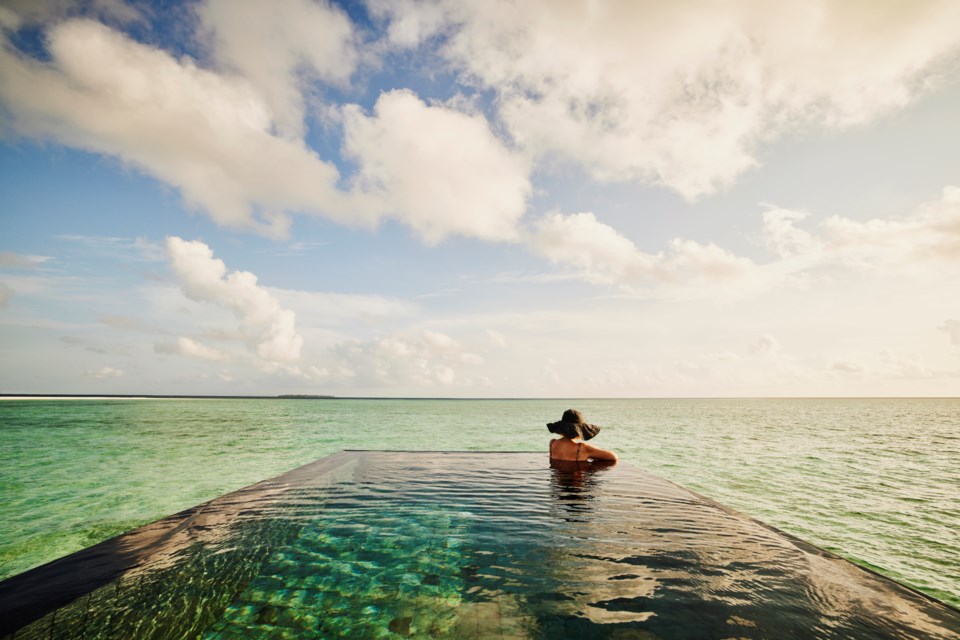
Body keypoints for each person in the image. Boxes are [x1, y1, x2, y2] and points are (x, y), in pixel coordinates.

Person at [547, 409, 618, 463]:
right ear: (580, 430)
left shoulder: (552, 443)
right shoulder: (581, 448)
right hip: (576, 482)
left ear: (561, 427)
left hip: (558, 482)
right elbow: (613, 457)